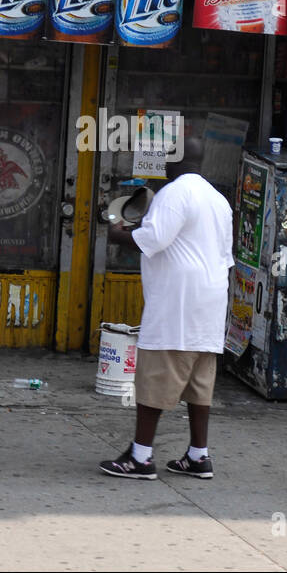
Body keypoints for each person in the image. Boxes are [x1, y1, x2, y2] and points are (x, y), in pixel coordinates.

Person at [99, 137, 234, 479]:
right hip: (210, 303)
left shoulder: (174, 193)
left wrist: (117, 235)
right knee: (200, 382)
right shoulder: (218, 200)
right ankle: (198, 455)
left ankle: (141, 458)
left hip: (178, 304)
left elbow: (153, 240)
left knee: (156, 378)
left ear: (172, 161)